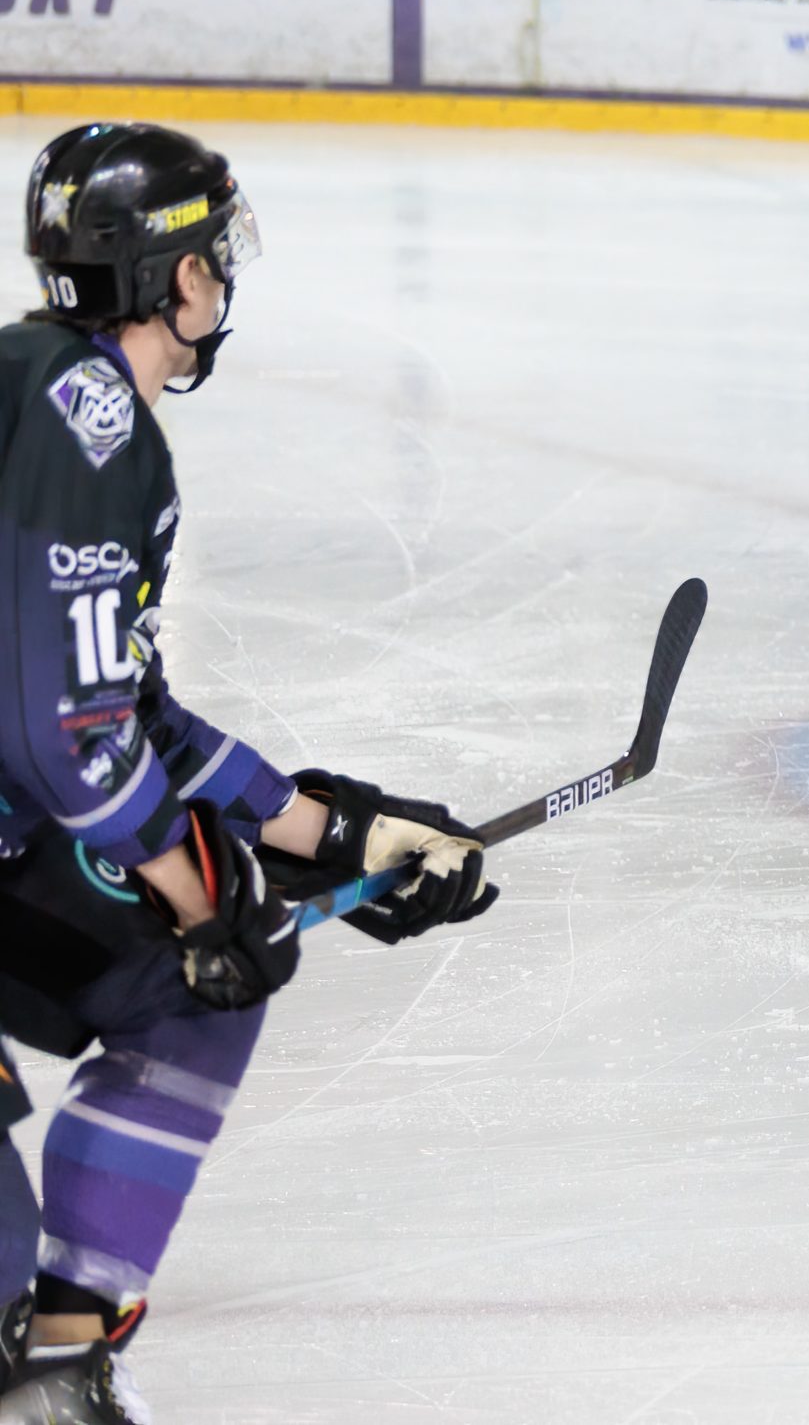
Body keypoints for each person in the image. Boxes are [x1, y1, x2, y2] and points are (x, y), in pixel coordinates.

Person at [0, 123, 496, 1422]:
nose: (224, 277)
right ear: (173, 281)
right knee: (199, 954)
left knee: (187, 988)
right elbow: (69, 734)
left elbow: (118, 703)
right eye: (213, 255)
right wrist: (201, 897)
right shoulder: (102, 439)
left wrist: (326, 829)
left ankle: (53, 1349)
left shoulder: (41, 383)